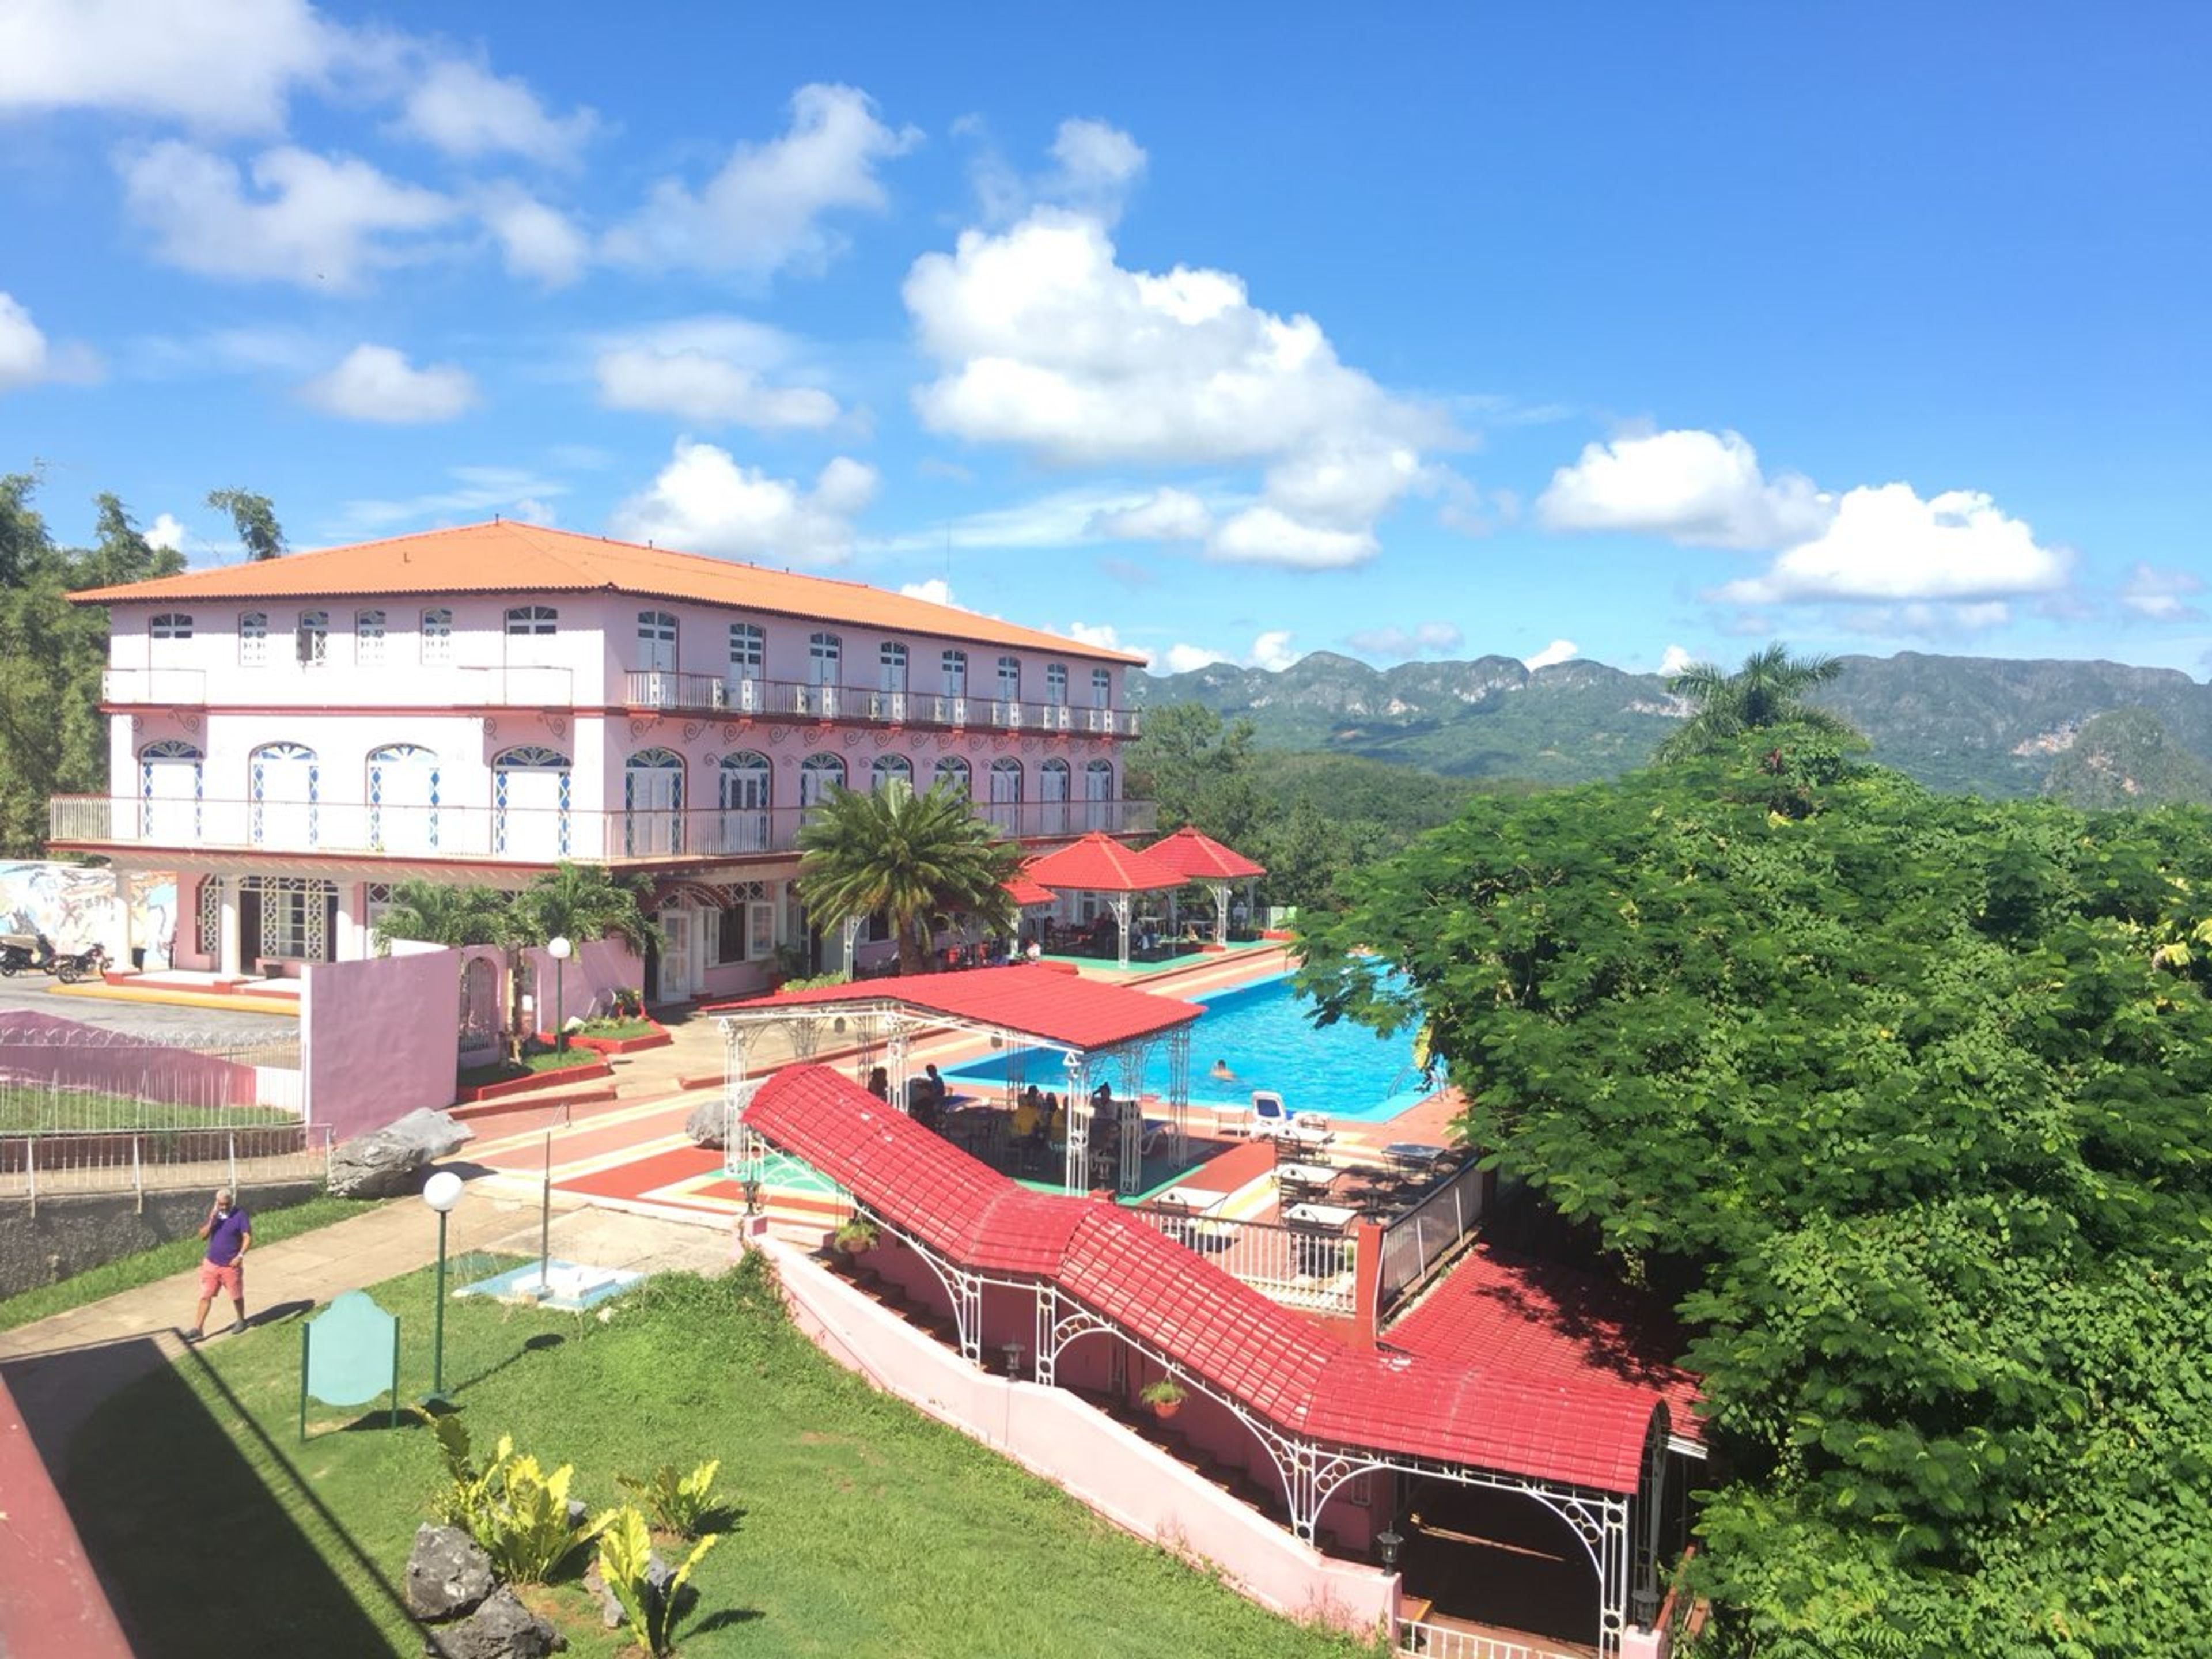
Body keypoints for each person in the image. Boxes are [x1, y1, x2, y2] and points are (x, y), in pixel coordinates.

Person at [184, 1187, 251, 1340]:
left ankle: (241, 1320)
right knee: (205, 1296)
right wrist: (212, 1220)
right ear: (216, 1203)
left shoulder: (240, 1215)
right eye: (221, 1204)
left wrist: (240, 1256)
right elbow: (202, 1236)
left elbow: (247, 1237)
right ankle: (198, 1328)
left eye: (227, 1204)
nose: (224, 1207)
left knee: (236, 1296)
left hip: (231, 1266)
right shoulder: (215, 1215)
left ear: (232, 1202)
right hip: (211, 1265)